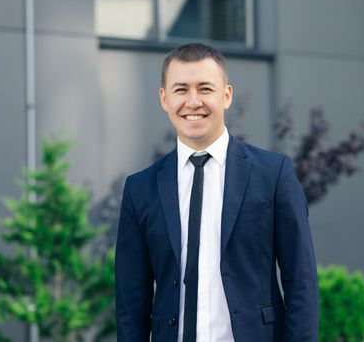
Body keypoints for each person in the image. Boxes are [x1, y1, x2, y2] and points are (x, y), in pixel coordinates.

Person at [115, 43, 318, 342]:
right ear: (164, 98)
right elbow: (130, 301)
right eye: (181, 89)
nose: (193, 101)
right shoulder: (140, 189)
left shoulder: (273, 174)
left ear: (226, 95)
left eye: (205, 88)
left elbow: (301, 281)